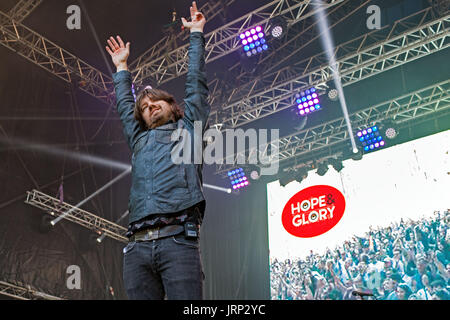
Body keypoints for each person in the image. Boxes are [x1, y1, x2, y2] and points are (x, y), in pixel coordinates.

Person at [105, 1, 210, 300]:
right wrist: (122, 68)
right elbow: (126, 108)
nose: (149, 107)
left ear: (171, 105)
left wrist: (196, 34)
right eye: (145, 108)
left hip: (178, 241)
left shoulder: (189, 127)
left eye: (155, 103)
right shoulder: (138, 139)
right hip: (136, 246)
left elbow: (195, 83)